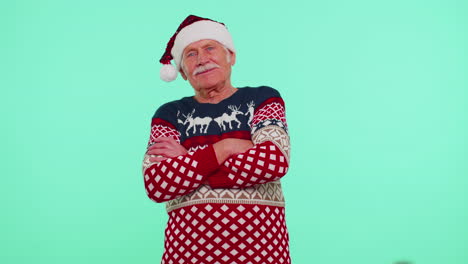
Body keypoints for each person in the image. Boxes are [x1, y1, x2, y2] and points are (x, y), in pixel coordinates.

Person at [142, 15, 291, 264]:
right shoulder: (169, 115)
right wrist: (227, 147)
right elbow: (157, 183)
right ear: (181, 72)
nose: (202, 59)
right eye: (190, 54)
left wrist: (188, 161)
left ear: (231, 56)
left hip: (263, 254)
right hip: (187, 255)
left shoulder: (264, 99)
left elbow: (273, 161)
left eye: (210, 48)